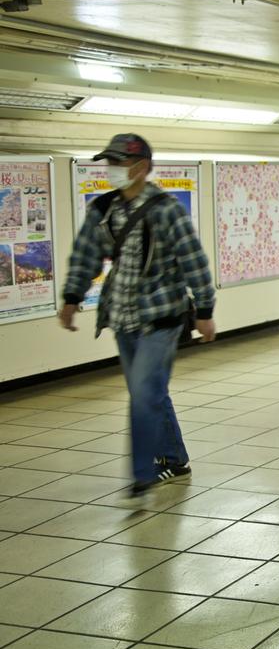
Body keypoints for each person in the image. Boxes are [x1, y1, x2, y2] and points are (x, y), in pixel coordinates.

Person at [59, 133, 216, 502]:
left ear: (142, 167)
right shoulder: (104, 210)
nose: (112, 170)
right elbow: (85, 255)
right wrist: (71, 297)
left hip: (161, 317)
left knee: (144, 393)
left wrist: (205, 311)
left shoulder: (166, 210)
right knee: (148, 392)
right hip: (122, 316)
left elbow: (193, 260)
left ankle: (143, 474)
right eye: (109, 163)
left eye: (119, 163)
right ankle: (176, 460)